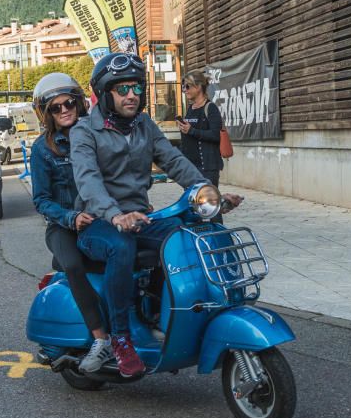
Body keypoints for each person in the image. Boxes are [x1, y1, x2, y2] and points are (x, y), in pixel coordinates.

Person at [70, 52, 243, 377]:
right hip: (97, 224)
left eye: (136, 87)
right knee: (121, 246)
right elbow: (87, 181)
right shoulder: (85, 131)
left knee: (186, 234)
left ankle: (167, 316)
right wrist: (114, 214)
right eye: (122, 89)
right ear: (106, 93)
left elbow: (176, 163)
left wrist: (212, 194)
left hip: (139, 219)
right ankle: (120, 338)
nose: (132, 95)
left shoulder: (144, 126)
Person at [29, 73, 111, 373]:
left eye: (69, 103)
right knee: (74, 265)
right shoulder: (43, 149)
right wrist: (70, 216)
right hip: (62, 226)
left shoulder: (98, 137)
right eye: (55, 107)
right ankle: (101, 338)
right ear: (46, 113)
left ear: (79, 103)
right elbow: (41, 199)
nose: (64, 110)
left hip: (101, 221)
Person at [177, 70, 224, 187]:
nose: (184, 90)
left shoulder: (210, 108)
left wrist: (191, 130)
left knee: (206, 203)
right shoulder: (190, 108)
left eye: (187, 86)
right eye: (183, 87)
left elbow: (215, 135)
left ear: (198, 87)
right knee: (191, 202)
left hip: (206, 167)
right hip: (189, 166)